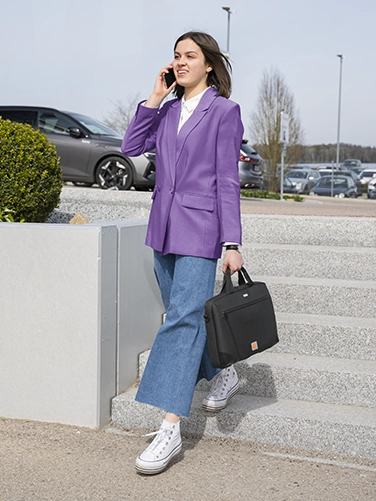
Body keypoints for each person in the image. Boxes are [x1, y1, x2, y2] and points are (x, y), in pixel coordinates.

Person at [121, 31, 244, 475]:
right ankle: (223, 372)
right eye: (176, 56)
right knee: (183, 313)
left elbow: (228, 181)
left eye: (190, 55)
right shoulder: (168, 107)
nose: (181, 62)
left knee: (181, 320)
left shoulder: (224, 112)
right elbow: (131, 148)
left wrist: (232, 243)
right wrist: (155, 95)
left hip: (202, 229)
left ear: (209, 63)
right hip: (164, 229)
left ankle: (170, 427)